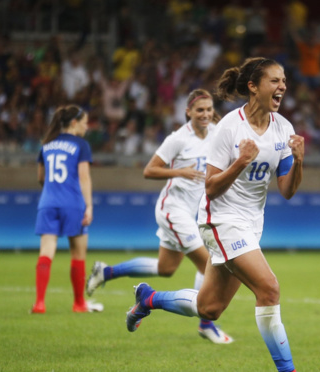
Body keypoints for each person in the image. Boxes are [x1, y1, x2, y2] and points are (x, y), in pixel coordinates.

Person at [123, 57, 304, 372]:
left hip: (250, 225)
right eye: (274, 81)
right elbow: (210, 188)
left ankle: (148, 299)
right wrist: (239, 163)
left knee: (210, 308)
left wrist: (299, 161)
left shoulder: (283, 128)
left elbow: (287, 190)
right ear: (253, 86)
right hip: (219, 221)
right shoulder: (229, 128)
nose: (282, 87)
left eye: (283, 80)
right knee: (269, 288)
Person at [86, 89, 234, 344]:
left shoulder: (215, 131)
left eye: (209, 110)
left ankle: (106, 272)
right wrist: (180, 172)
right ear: (188, 112)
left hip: (193, 211)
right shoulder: (177, 138)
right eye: (200, 110)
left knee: (166, 268)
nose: (206, 114)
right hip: (173, 210)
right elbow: (149, 170)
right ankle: (206, 324)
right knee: (209, 264)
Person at [31, 105, 103, 314]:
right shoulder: (81, 145)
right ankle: (79, 303)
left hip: (48, 203)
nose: (86, 127)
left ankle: (39, 303)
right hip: (72, 203)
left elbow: (40, 178)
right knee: (78, 254)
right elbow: (84, 177)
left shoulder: (46, 145)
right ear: (74, 123)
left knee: (46, 252)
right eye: (84, 122)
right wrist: (88, 205)